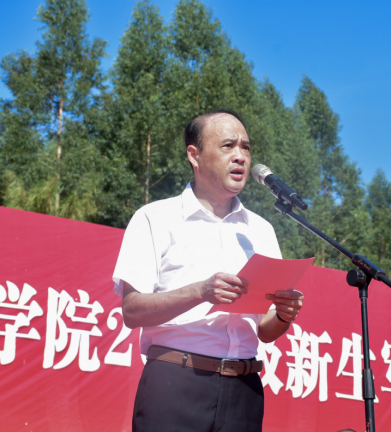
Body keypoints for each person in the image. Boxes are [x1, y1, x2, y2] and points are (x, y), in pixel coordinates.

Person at [112, 110, 305, 432]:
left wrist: (284, 315)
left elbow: (264, 331)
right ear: (194, 155)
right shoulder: (155, 217)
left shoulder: (260, 230)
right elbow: (131, 311)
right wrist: (199, 291)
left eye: (246, 147)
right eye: (228, 146)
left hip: (245, 388)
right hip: (177, 382)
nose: (240, 156)